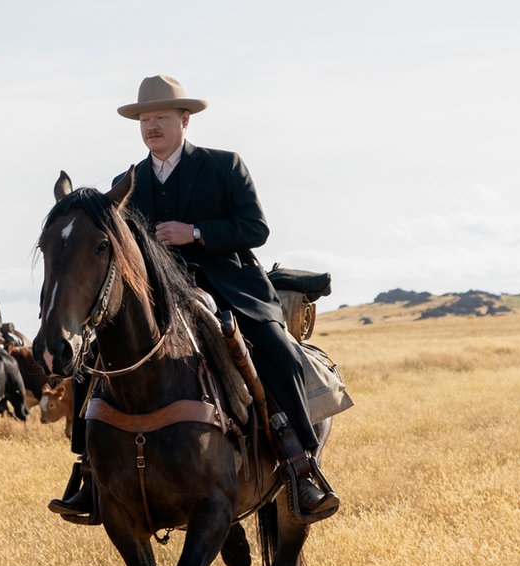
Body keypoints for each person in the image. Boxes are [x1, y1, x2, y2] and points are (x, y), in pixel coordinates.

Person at [48, 75, 339, 524]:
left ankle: (300, 465)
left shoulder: (225, 166)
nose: (151, 126)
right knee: (96, 359)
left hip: (230, 288)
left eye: (161, 117)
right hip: (158, 298)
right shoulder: (128, 182)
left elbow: (255, 229)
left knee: (278, 352)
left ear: (184, 119)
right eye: (144, 119)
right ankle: (86, 474)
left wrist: (196, 233)